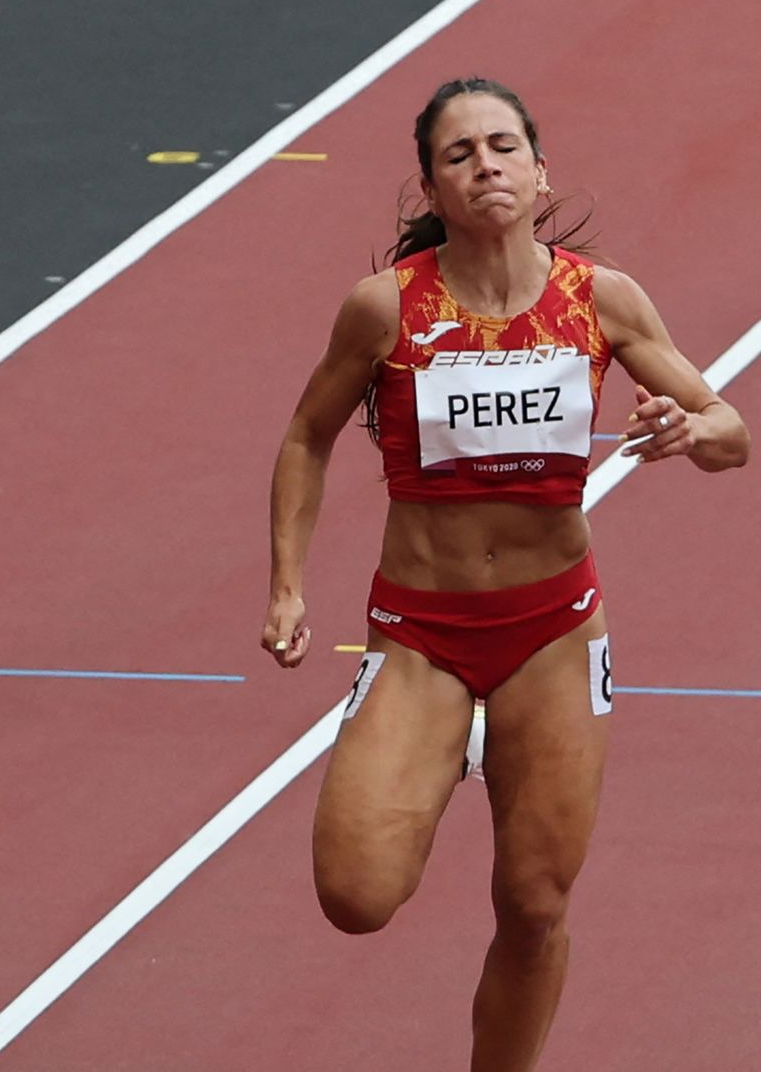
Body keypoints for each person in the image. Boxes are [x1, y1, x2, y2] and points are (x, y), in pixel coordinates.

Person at [263, 77, 748, 1070]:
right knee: (355, 895)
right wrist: (286, 583)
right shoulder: (386, 309)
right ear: (433, 189)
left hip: (554, 633)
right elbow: (307, 437)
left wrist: (690, 429)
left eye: (502, 146)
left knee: (533, 906)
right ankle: (437, 738)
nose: (485, 164)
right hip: (422, 635)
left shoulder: (601, 299)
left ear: (539, 171)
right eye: (460, 154)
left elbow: (729, 430)